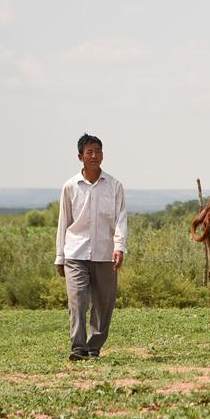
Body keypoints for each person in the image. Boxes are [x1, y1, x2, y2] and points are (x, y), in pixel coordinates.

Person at [55, 134, 127, 361]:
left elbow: (120, 219)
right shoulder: (70, 186)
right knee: (77, 300)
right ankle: (78, 348)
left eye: (98, 151)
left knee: (104, 302)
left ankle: (94, 346)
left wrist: (120, 247)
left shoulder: (115, 186)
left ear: (103, 154)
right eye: (89, 152)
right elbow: (63, 222)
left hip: (105, 253)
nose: (94, 156)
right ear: (80, 157)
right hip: (75, 252)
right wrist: (60, 257)